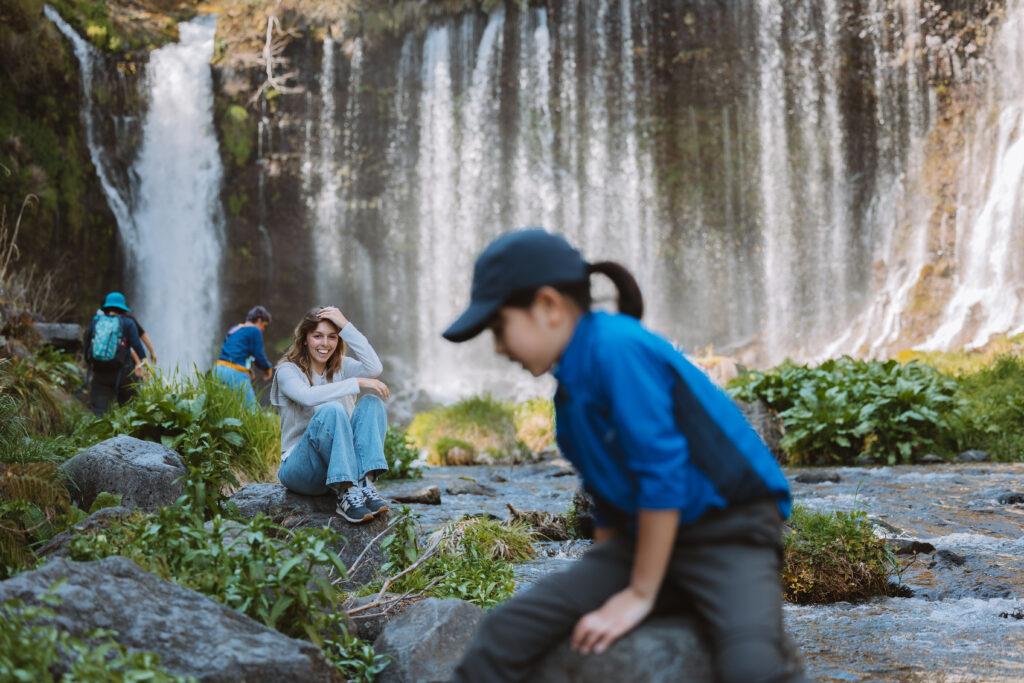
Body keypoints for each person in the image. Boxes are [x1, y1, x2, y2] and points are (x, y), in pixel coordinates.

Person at [442, 228, 804, 682]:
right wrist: (605, 582)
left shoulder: (617, 346)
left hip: (730, 535)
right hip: (643, 544)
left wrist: (639, 593)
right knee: (506, 630)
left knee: (752, 663)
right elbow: (606, 498)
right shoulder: (569, 395)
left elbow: (661, 470)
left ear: (549, 307)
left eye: (498, 327)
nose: (497, 346)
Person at [269, 306, 391, 524]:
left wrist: (345, 325)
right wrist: (355, 383)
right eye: (317, 336)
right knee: (332, 409)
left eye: (332, 337)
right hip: (302, 470)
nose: (325, 343)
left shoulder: (342, 366)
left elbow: (374, 368)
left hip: (339, 465)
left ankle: (363, 483)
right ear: (305, 338)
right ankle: (345, 491)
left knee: (372, 402)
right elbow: (306, 396)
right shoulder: (288, 370)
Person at [83, 291, 147, 415]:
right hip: (123, 373)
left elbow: (86, 344)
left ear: (106, 307)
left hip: (100, 372)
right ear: (122, 308)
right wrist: (144, 360)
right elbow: (136, 344)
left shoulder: (96, 321)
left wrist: (90, 363)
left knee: (100, 411)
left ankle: (100, 432)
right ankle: (128, 431)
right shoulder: (128, 322)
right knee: (129, 409)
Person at [213, 305, 273, 406]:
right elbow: (258, 355)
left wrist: (246, 370)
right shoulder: (255, 330)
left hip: (218, 370)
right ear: (259, 320)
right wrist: (267, 367)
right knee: (252, 411)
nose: (263, 329)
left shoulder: (234, 329)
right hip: (235, 373)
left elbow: (234, 351)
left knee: (225, 406)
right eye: (264, 325)